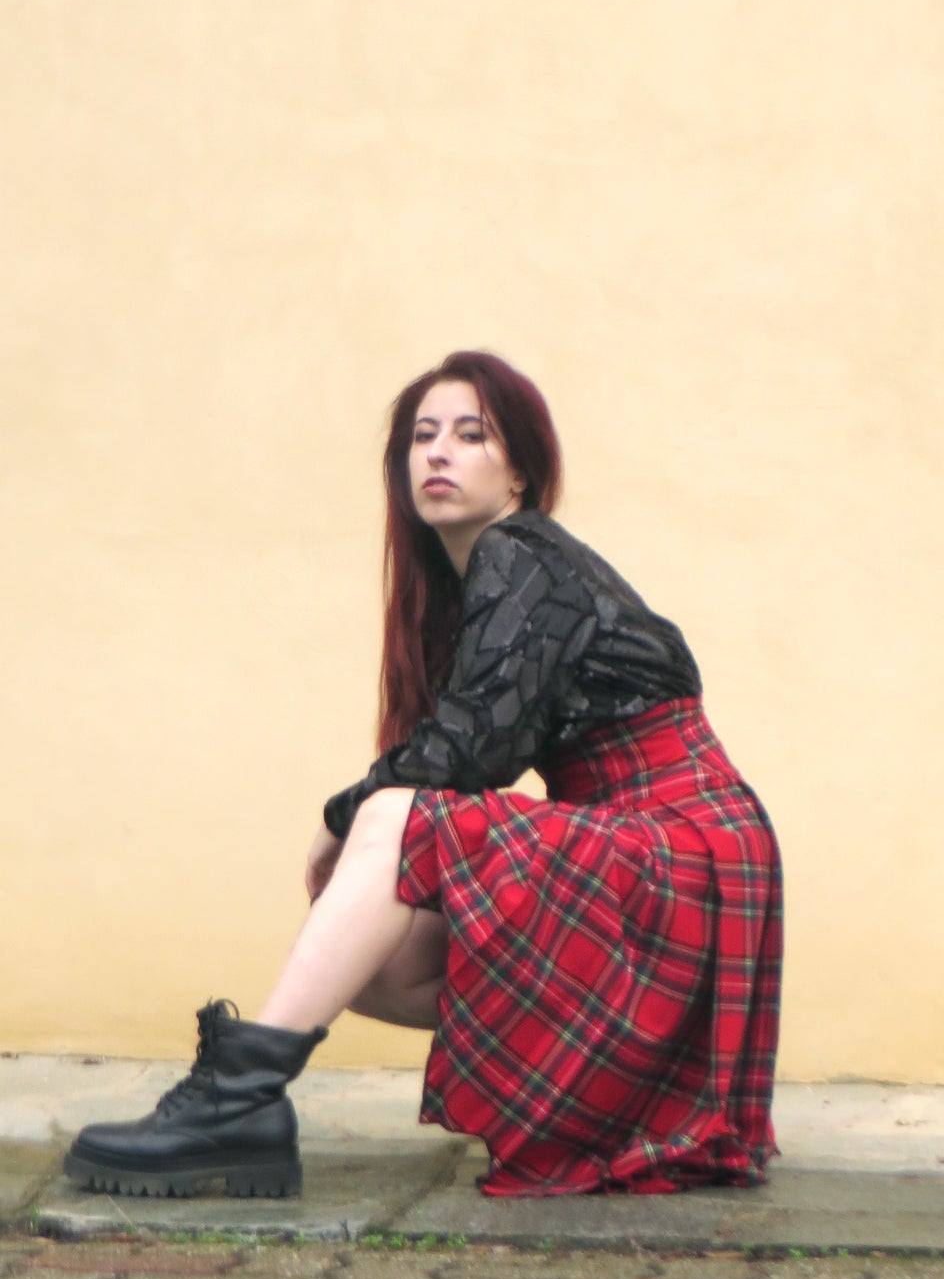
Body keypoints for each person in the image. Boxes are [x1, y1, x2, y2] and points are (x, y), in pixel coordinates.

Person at [64, 351, 783, 1200]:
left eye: (470, 434)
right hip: (672, 855)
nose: (437, 453)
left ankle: (237, 1097)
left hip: (677, 842)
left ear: (519, 468)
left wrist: (344, 817)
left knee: (395, 823)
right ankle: (246, 1097)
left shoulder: (522, 552)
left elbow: (467, 755)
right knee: (371, 959)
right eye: (421, 436)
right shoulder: (479, 576)